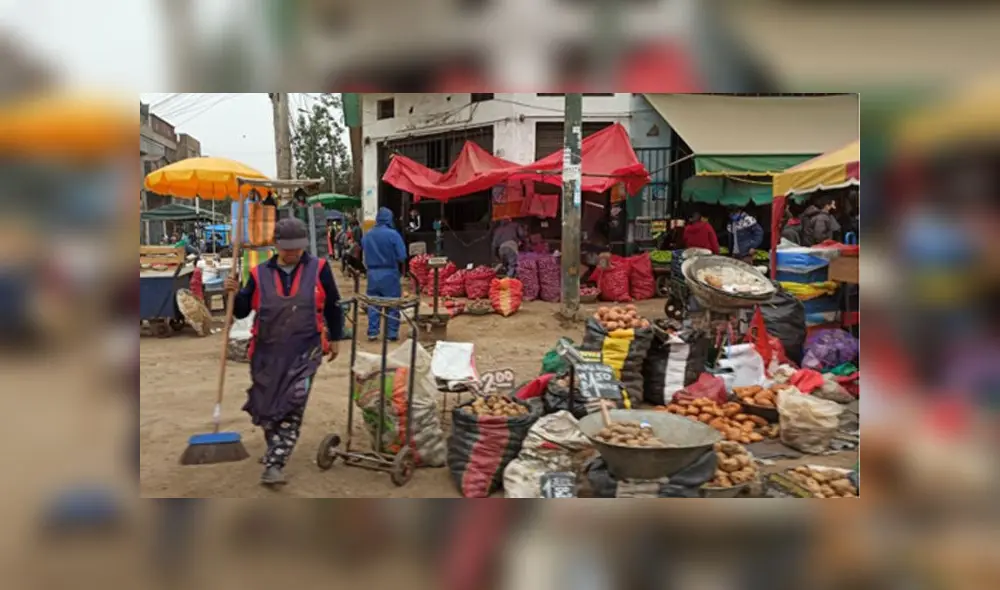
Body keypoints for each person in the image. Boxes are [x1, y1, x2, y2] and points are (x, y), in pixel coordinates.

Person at [223, 217, 343, 487]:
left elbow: (334, 305)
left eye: (297, 247)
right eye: (286, 247)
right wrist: (231, 292)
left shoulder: (320, 268)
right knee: (268, 407)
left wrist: (336, 337)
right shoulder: (258, 273)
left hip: (305, 351)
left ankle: (275, 462)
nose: (292, 253)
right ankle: (273, 446)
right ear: (275, 244)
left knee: (293, 405)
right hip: (266, 352)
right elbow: (242, 309)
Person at [362, 207, 407, 341]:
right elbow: (402, 256)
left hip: (372, 274)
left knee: (373, 303)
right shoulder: (393, 235)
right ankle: (391, 334)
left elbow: (362, 252)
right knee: (392, 303)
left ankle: (372, 332)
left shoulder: (367, 235)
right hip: (389, 273)